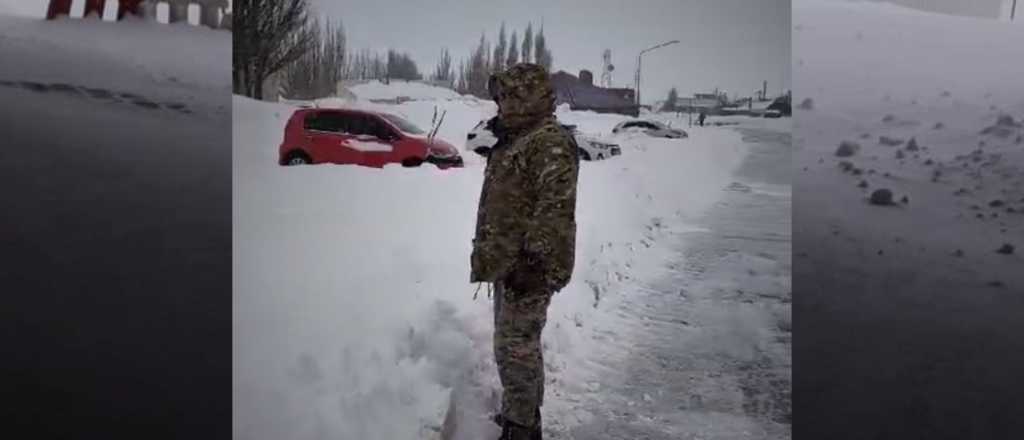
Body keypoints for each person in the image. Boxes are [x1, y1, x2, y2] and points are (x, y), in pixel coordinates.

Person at [471, 63, 580, 440]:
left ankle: (522, 429)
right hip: (509, 261)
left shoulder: (547, 140)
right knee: (516, 347)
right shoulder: (519, 137)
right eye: (500, 99)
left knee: (515, 350)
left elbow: (554, 207)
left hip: (529, 266)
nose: (501, 105)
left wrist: (534, 261)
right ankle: (521, 416)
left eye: (508, 97)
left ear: (527, 97)